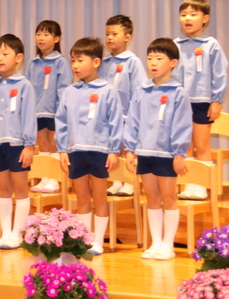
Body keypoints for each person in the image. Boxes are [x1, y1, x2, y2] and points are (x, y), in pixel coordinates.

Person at [125, 38, 192, 261]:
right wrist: (130, 149)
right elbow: (133, 120)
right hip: (145, 152)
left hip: (167, 154)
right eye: (150, 58)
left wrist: (179, 153)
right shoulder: (141, 91)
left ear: (173, 63)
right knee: (152, 197)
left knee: (169, 197)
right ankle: (156, 243)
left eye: (159, 58)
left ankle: (168, 245)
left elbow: (182, 124)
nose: (153, 62)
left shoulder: (178, 92)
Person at [55, 38, 123, 255]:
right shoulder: (69, 91)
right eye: (73, 60)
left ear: (96, 62)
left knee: (100, 196)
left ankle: (98, 241)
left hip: (100, 151)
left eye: (80, 60)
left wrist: (114, 150)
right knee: (82, 197)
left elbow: (116, 122)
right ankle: (84, 239)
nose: (75, 65)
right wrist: (62, 149)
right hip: (76, 151)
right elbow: (62, 121)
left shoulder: (108, 90)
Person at [0, 34, 36, 250]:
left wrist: (28, 145)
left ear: (18, 57)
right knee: (2, 188)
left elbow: (29, 116)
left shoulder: (24, 85)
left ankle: (18, 234)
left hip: (17, 144)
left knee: (20, 188)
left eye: (5, 54)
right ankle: (5, 234)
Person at [173, 0, 228, 201]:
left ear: (205, 18)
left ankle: (202, 186)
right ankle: (190, 184)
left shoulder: (211, 45)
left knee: (202, 145)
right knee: (186, 146)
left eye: (193, 14)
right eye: (184, 14)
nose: (187, 18)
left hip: (202, 101)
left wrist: (216, 100)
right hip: (181, 103)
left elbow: (219, 73)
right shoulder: (175, 45)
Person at [100, 15, 147, 196]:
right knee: (113, 150)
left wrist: (135, 116)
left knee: (127, 149)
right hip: (108, 116)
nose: (110, 38)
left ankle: (129, 182)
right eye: (107, 34)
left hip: (126, 115)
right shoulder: (104, 62)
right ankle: (116, 180)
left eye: (114, 34)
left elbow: (139, 91)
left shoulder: (132, 62)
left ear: (127, 37)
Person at [26, 20, 71, 194]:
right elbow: (28, 87)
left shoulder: (60, 62)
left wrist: (61, 111)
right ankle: (45, 178)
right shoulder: (33, 62)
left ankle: (54, 179)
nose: (41, 38)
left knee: (54, 144)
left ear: (57, 38)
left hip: (54, 111)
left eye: (46, 34)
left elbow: (64, 88)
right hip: (37, 111)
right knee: (43, 144)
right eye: (38, 34)